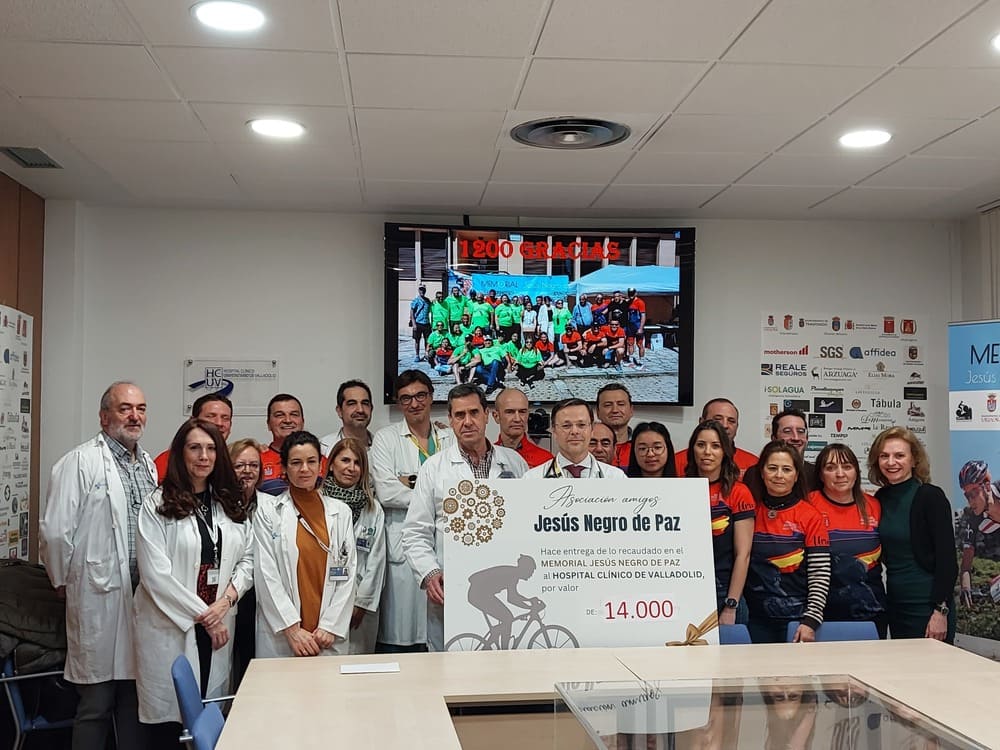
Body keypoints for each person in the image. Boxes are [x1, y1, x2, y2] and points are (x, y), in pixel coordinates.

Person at [40, 382, 156, 750]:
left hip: (141, 598)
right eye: (125, 408)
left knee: (134, 700)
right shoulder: (80, 461)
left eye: (140, 408)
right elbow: (55, 532)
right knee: (96, 703)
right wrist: (62, 580)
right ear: (104, 417)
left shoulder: (148, 465)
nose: (134, 416)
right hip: (98, 595)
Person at [133, 419, 252, 746]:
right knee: (172, 726)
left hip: (218, 622)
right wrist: (207, 617)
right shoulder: (157, 504)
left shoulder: (228, 502)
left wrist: (226, 602)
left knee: (209, 717)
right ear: (180, 453)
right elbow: (155, 575)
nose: (204, 456)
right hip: (174, 623)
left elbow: (248, 559)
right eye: (195, 448)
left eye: (211, 448)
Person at [402, 384, 528, 650]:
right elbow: (415, 532)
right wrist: (430, 572)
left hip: (499, 578)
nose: (467, 422)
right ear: (450, 420)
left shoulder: (514, 462)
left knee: (506, 662)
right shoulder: (434, 468)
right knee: (451, 666)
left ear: (487, 415)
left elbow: (527, 525)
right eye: (459, 415)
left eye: (473, 413)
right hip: (452, 586)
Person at [370, 370, 454, 652]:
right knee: (404, 639)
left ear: (431, 397)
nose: (414, 403)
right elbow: (387, 492)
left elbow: (460, 486)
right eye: (406, 398)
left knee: (446, 636)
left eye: (420, 396)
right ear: (398, 403)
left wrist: (410, 481)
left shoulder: (449, 436)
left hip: (446, 545)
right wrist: (436, 495)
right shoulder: (386, 439)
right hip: (402, 548)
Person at [254, 431, 357, 657]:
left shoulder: (341, 512)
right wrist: (291, 629)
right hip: (285, 634)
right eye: (296, 463)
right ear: (284, 468)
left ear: (321, 465)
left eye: (311, 461)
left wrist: (330, 626)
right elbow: (265, 573)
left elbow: (348, 573)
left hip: (326, 635)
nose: (304, 469)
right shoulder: (269, 513)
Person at [868, 427, 957, 643]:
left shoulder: (931, 496)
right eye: (884, 456)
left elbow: (947, 560)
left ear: (914, 460)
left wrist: (940, 611)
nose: (891, 462)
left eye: (899, 455)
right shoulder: (880, 498)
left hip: (929, 606)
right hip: (896, 605)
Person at [745, 440, 830, 644]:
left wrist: (811, 619)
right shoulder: (750, 512)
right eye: (772, 468)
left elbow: (820, 573)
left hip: (797, 621)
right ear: (762, 472)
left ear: (796, 475)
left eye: (786, 469)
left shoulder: (810, 516)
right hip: (753, 619)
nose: (779, 475)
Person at [807, 443, 886, 635]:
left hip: (871, 611)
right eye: (830, 468)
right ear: (820, 475)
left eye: (847, 467)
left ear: (856, 472)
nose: (840, 474)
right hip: (821, 615)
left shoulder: (874, 505)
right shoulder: (808, 504)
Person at [684, 420, 754, 624]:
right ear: (692, 450)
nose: (707, 452)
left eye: (715, 446)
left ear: (725, 451)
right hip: (688, 590)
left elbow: (743, 555)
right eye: (701, 445)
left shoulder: (738, 492)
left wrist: (731, 604)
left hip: (725, 594)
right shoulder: (680, 488)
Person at [321, 438, 386, 655]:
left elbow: (377, 560)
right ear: (331, 464)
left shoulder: (372, 508)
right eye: (345, 460)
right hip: (324, 596)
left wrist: (362, 604)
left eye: (357, 463)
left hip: (359, 601)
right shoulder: (317, 502)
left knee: (359, 662)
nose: (351, 468)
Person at [228, 438, 266, 687]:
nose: (247, 471)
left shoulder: (270, 505)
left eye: (254, 465)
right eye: (240, 465)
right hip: (228, 592)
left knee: (252, 656)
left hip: (259, 594)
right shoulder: (220, 505)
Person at [525, 398, 626, 479]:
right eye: (566, 426)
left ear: (591, 429)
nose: (574, 431)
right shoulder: (532, 478)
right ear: (554, 431)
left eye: (581, 425)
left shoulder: (616, 477)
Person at [153, 392, 233, 482]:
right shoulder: (168, 461)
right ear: (192, 421)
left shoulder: (235, 459)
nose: (219, 423)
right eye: (210, 416)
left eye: (225, 418)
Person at [466, 555, 539, 649]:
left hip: (481, 593)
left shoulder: (513, 573)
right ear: (525, 569)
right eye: (531, 571)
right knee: (508, 618)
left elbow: (514, 595)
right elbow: (512, 598)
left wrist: (529, 600)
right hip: (479, 594)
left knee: (507, 620)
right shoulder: (512, 575)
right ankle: (505, 650)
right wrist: (530, 607)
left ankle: (496, 638)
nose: (531, 574)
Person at [675, 398, 758, 479]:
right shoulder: (676, 461)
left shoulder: (753, 463)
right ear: (702, 422)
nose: (725, 425)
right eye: (718, 419)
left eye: (731, 421)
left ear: (737, 426)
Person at [743, 408, 814, 500]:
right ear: (774, 438)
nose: (796, 438)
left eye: (800, 432)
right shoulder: (753, 474)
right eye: (787, 431)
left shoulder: (817, 473)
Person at [957, 460, 1000, 606]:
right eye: (966, 496)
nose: (970, 502)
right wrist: (966, 588)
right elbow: (965, 567)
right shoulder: (974, 520)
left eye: (973, 494)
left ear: (987, 486)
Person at [492, 387, 554, 468]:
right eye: (510, 412)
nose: (517, 419)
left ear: (528, 415)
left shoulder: (546, 460)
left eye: (522, 412)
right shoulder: (487, 457)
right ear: (496, 416)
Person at [320, 379, 374, 456]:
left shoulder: (383, 445)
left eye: (365, 403)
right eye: (352, 403)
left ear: (371, 409)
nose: (360, 410)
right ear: (339, 411)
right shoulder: (322, 449)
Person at [596, 383, 634, 469]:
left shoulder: (643, 448)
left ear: (631, 410)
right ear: (598, 412)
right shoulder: (585, 449)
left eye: (621, 404)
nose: (615, 410)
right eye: (608, 405)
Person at [409, 284, 431, 362]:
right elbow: (412, 312)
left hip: (426, 323)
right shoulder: (416, 300)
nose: (422, 291)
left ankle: (426, 355)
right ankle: (417, 355)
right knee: (417, 340)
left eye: (423, 290)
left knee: (427, 340)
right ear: (418, 290)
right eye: (421, 290)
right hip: (418, 323)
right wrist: (414, 324)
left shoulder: (427, 300)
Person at [625, 287, 647, 368]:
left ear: (635, 293)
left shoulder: (640, 302)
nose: (631, 295)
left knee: (640, 344)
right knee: (630, 343)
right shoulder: (629, 302)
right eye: (629, 293)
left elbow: (643, 316)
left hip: (637, 325)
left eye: (632, 293)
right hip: (630, 326)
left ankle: (641, 362)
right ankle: (631, 361)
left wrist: (641, 328)